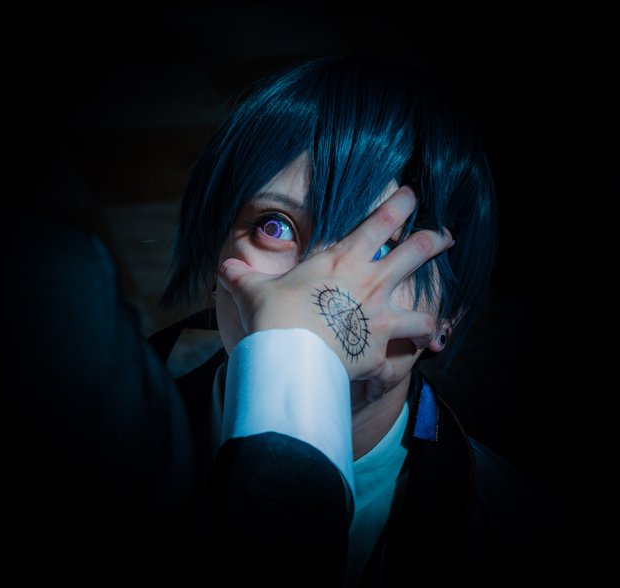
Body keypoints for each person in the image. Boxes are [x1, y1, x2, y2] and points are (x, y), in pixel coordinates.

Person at [151, 54, 563, 582]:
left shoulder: (525, 533)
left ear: (449, 316)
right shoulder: (98, 445)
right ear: (217, 262)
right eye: (276, 226)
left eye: (382, 250)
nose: (315, 287)